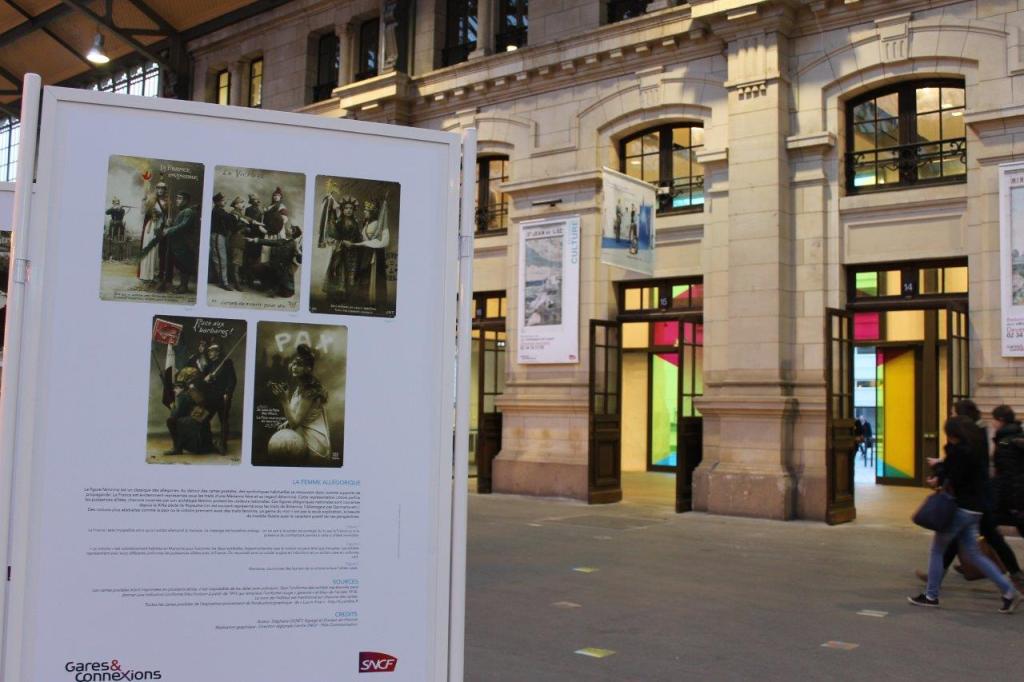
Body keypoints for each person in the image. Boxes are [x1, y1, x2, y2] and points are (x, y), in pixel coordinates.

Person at [908, 415, 1022, 612]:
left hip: (961, 507)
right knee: (974, 553)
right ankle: (1009, 591)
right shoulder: (982, 446)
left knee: (938, 550)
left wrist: (939, 467)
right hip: (977, 508)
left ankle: (931, 595)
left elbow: (955, 476)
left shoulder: (963, 451)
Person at [270, 344, 330, 459]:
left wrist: (284, 401)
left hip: (312, 442)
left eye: (300, 365)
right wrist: (287, 422)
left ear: (308, 368)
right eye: (294, 363)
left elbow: (295, 423)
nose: (294, 367)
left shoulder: (309, 390)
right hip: (302, 436)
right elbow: (300, 416)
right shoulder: (302, 387)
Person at [991, 405, 1024, 546]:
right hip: (1017, 491)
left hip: (1012, 493)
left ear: (1001, 420)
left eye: (994, 420)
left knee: (990, 524)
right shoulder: (1017, 435)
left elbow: (1006, 472)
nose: (992, 423)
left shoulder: (1005, 442)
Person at [163, 367, 215, 456]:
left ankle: (177, 448)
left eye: (177, 387)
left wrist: (173, 408)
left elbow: (176, 415)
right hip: (202, 426)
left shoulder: (184, 396)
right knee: (181, 420)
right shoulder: (193, 390)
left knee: (171, 421)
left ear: (182, 387)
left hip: (197, 427)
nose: (174, 390)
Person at [352, 196, 390, 306]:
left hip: (373, 255)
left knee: (372, 277)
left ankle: (372, 301)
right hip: (364, 254)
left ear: (372, 212)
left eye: (366, 210)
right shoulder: (367, 223)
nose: (364, 212)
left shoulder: (377, 224)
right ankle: (363, 300)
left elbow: (381, 242)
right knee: (364, 278)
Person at [247, 224, 302, 298]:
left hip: (284, 270)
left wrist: (298, 252)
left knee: (285, 293)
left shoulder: (294, 244)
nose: (287, 228)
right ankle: (267, 285)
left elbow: (299, 260)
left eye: (290, 228)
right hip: (273, 265)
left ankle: (274, 288)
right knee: (256, 268)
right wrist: (255, 240)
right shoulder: (281, 240)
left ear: (292, 232)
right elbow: (269, 242)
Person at [321, 195, 361, 297]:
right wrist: (342, 242)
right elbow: (333, 236)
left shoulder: (356, 223)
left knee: (351, 274)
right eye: (346, 208)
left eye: (351, 208)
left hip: (353, 253)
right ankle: (337, 296)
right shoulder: (338, 222)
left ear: (354, 210)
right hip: (341, 252)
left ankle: (348, 296)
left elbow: (358, 237)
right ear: (342, 210)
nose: (348, 210)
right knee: (340, 271)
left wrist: (355, 244)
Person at [159, 191, 198, 293]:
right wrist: (170, 224)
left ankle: (184, 287)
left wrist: (169, 230)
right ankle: (182, 285)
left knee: (184, 264)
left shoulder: (188, 211)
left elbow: (184, 226)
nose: (177, 200)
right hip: (179, 243)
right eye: (177, 198)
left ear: (186, 201)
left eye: (180, 198)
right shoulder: (183, 211)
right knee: (181, 264)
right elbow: (178, 226)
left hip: (185, 243)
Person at [202, 343, 237, 454]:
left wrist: (227, 393)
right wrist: (205, 379)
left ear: (217, 352)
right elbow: (202, 381)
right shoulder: (208, 365)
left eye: (212, 351)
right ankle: (208, 443)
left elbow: (232, 380)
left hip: (223, 397)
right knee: (204, 419)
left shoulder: (226, 363)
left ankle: (223, 445)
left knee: (224, 421)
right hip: (211, 398)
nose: (209, 353)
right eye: (209, 351)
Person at [139, 181, 169, 284]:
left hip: (159, 227)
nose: (160, 190)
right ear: (156, 189)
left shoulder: (167, 202)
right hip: (150, 227)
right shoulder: (151, 200)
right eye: (158, 188)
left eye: (162, 189)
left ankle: (153, 275)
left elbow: (167, 217)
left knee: (156, 252)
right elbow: (143, 211)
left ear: (165, 190)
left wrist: (166, 222)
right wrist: (144, 200)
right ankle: (145, 275)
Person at [209, 192, 234, 291]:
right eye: (223, 200)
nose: (225, 202)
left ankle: (222, 280)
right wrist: (235, 216)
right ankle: (224, 282)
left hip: (220, 236)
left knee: (220, 258)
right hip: (217, 236)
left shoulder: (220, 210)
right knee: (220, 259)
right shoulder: (217, 211)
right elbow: (229, 218)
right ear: (217, 202)